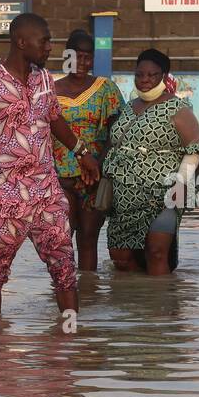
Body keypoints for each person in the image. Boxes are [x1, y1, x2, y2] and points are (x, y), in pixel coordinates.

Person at [0, 13, 99, 315]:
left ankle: (68, 347)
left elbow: (54, 118)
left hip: (48, 193)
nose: (50, 47)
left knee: (65, 272)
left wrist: (81, 152)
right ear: (21, 42)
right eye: (44, 41)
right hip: (6, 196)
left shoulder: (45, 80)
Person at [103, 49, 199, 275]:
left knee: (157, 252)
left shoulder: (178, 109)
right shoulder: (127, 108)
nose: (144, 80)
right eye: (139, 74)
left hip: (164, 193)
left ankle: (159, 306)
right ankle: (136, 304)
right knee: (121, 258)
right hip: (124, 195)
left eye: (151, 75)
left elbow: (195, 150)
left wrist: (180, 184)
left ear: (164, 76)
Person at [52, 29, 124, 271]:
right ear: (65, 56)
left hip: (95, 176)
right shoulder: (50, 90)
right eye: (76, 56)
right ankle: (63, 293)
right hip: (59, 177)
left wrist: (98, 166)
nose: (81, 63)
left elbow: (117, 133)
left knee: (89, 238)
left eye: (87, 57)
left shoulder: (106, 89)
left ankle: (89, 294)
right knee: (61, 238)